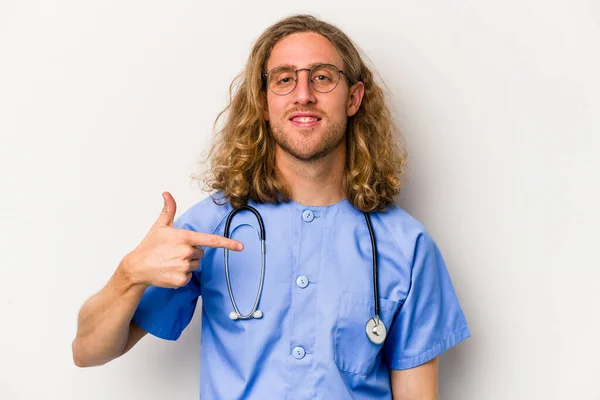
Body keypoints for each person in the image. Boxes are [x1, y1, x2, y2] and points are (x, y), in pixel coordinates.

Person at [72, 14, 471, 399]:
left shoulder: (406, 247)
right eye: (284, 79)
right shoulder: (212, 228)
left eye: (322, 77)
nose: (303, 94)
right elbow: (88, 351)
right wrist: (129, 275)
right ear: (263, 103)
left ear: (354, 98)